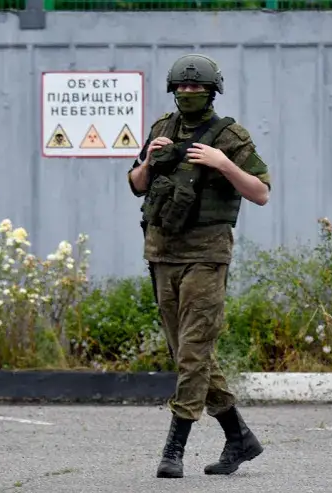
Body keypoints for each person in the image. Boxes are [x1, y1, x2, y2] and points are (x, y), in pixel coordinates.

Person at [126, 54, 271, 479]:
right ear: (173, 90)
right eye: (183, 88)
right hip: (161, 254)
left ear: (212, 90)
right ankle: (239, 436)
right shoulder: (161, 129)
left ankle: (174, 449)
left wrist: (223, 164)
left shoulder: (229, 136)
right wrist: (150, 162)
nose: (189, 93)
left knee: (193, 353)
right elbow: (136, 184)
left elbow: (261, 192)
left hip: (207, 256)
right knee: (187, 354)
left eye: (198, 88)